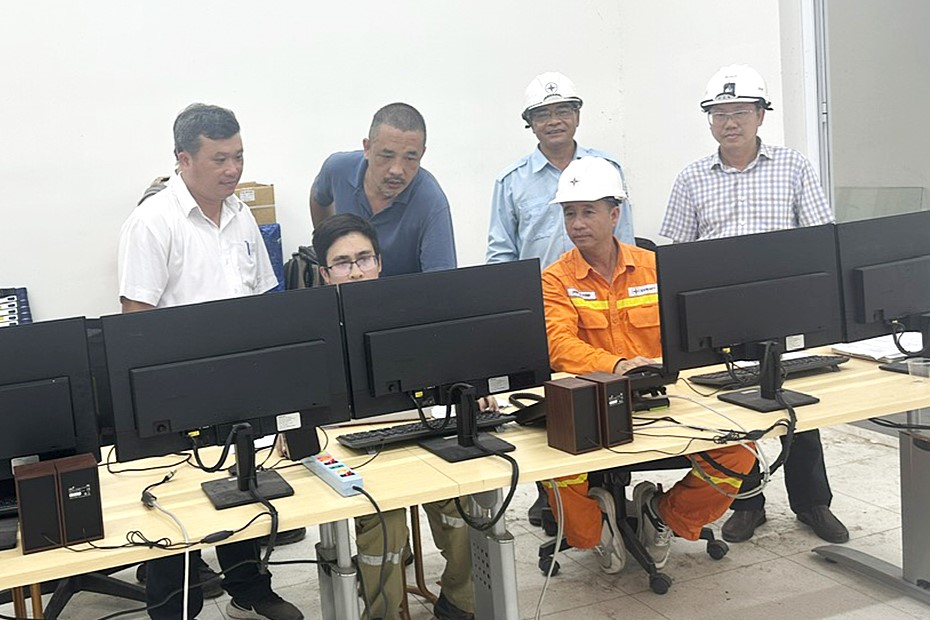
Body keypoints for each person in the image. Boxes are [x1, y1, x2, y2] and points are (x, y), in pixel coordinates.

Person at [118, 103, 302, 620]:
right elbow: (135, 322)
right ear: (183, 159)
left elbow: (263, 300)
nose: (233, 169)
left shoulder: (241, 215)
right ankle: (174, 608)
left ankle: (249, 587)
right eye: (220, 159)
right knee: (175, 502)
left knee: (243, 480)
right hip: (177, 386)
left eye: (239, 156)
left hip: (239, 377)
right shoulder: (152, 223)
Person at [659, 64, 849, 545]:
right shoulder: (692, 178)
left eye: (740, 112)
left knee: (795, 402)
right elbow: (677, 258)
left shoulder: (793, 167)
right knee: (733, 409)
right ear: (710, 120)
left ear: (761, 115)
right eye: (720, 113)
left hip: (783, 306)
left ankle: (813, 503)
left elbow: (819, 240)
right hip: (720, 313)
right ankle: (746, 504)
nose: (730, 123)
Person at [541, 156, 756, 571]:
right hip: (594, 405)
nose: (577, 223)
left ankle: (665, 515)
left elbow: (689, 330)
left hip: (665, 401)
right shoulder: (555, 278)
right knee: (554, 464)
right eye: (570, 213)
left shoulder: (655, 268)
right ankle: (594, 530)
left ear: (614, 214)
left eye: (588, 212)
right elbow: (559, 345)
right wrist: (617, 364)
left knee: (741, 450)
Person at [486, 71, 637, 526]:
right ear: (530, 122)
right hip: (545, 309)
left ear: (577, 115)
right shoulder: (512, 181)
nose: (554, 120)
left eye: (563, 110)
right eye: (543, 113)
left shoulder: (606, 168)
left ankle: (614, 481)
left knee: (611, 392)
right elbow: (501, 252)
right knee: (550, 405)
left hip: (603, 303)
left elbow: (627, 240)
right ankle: (554, 490)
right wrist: (511, 314)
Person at [311, 214, 474, 620]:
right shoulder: (313, 327)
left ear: (379, 263)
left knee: (462, 503)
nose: (356, 272)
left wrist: (472, 390)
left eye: (364, 259)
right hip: (349, 447)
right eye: (342, 263)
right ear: (325, 274)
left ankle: (461, 601)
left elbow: (450, 368)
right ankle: (383, 612)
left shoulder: (411, 311)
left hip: (415, 431)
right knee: (384, 521)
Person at [309, 102, 456, 277]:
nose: (397, 170)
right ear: (367, 148)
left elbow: (442, 281)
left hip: (404, 292)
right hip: (349, 287)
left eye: (410, 158)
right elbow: (318, 198)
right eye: (387, 156)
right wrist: (327, 245)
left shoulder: (431, 202)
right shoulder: (337, 169)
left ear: (422, 154)